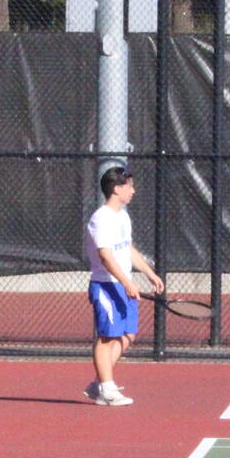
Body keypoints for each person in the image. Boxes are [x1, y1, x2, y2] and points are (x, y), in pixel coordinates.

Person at [83, 165, 163, 406]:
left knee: (128, 335)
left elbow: (126, 248)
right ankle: (106, 388)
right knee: (107, 337)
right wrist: (127, 282)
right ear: (117, 188)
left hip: (122, 283)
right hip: (106, 285)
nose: (134, 191)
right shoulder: (101, 219)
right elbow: (106, 256)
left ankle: (99, 383)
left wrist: (149, 272)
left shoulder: (123, 216)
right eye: (130, 186)